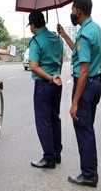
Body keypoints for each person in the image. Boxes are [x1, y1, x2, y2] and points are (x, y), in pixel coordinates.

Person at [57, 0, 101, 187]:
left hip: (86, 85)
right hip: (96, 83)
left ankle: (89, 174)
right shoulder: (94, 29)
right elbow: (77, 51)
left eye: (73, 9)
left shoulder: (85, 34)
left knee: (83, 129)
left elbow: (83, 71)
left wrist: (75, 102)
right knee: (87, 128)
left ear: (79, 10)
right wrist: (64, 34)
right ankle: (90, 172)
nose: (71, 12)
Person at [27, 10, 64, 169]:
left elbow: (33, 66)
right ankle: (56, 154)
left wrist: (48, 78)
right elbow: (61, 60)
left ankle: (48, 158)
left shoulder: (36, 41)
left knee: (43, 121)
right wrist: (55, 76)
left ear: (33, 25)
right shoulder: (57, 38)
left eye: (30, 25)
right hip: (57, 83)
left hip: (44, 84)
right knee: (55, 118)